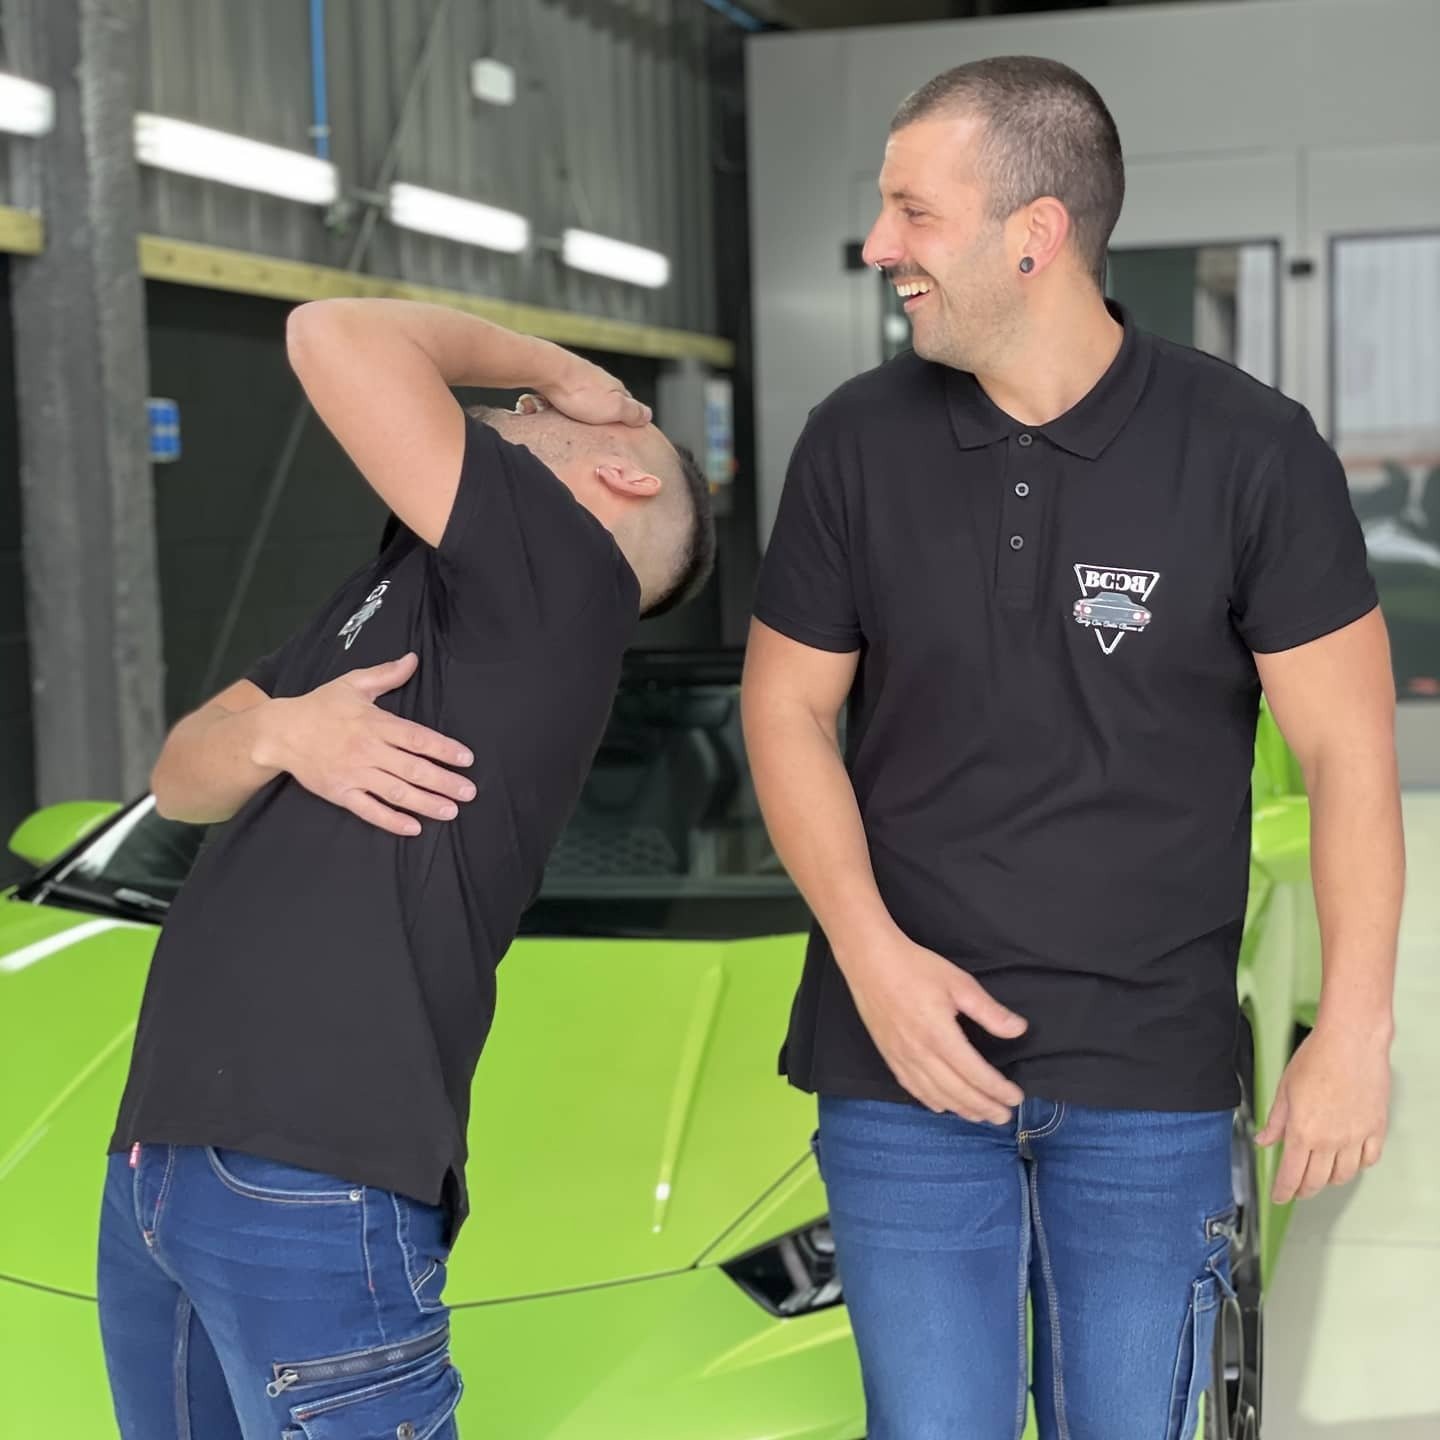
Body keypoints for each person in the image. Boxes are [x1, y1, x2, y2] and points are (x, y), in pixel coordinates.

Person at [741, 56, 1402, 1440]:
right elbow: (786, 710)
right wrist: (872, 960)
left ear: (1034, 233)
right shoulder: (853, 443)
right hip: (902, 1066)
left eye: (915, 212)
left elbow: (1347, 754)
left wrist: (1352, 1027)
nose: (879, 246)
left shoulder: (1251, 451)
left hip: (1148, 1080)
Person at [97, 298, 716, 1440]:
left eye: (555, 413)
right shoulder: (410, 593)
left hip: (312, 1173)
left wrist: (561, 368)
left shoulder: (567, 581)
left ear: (622, 481)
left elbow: (333, 333)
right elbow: (181, 777)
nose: (519, 403)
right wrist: (282, 733)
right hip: (164, 1161)